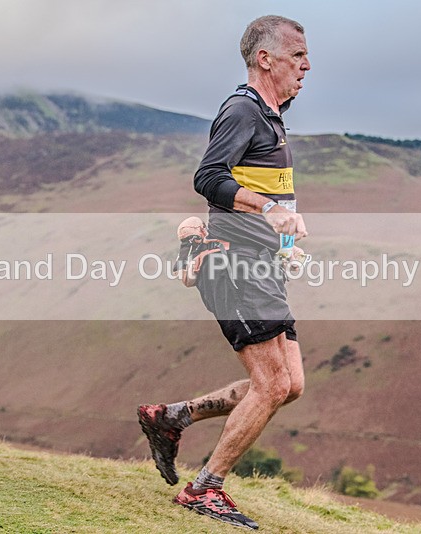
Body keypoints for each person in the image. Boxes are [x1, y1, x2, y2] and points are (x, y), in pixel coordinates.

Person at [138, 15, 310, 530]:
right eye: (297, 55)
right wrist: (269, 209)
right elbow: (207, 178)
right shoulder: (242, 109)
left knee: (291, 383)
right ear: (266, 59)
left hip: (263, 266)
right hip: (234, 265)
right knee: (272, 384)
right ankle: (204, 490)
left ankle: (173, 417)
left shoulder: (272, 117)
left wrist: (282, 239)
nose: (306, 66)